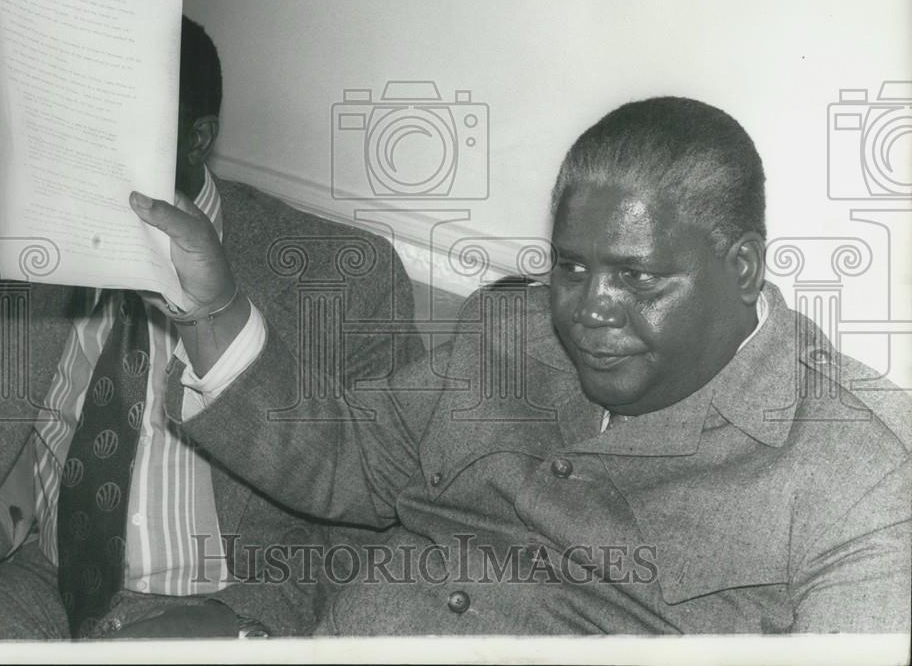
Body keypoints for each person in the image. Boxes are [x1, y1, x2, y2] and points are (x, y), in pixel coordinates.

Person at [204, 96, 911, 634]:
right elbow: (343, 453)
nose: (587, 310)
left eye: (638, 279)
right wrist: (206, 308)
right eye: (571, 267)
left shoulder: (859, 474)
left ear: (744, 269)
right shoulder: (508, 334)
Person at [0, 17, 422, 639]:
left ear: (196, 138)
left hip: (214, 606)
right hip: (28, 579)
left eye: (113, 125)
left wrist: (240, 620)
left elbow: (388, 505)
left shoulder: (343, 276)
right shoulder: (37, 239)